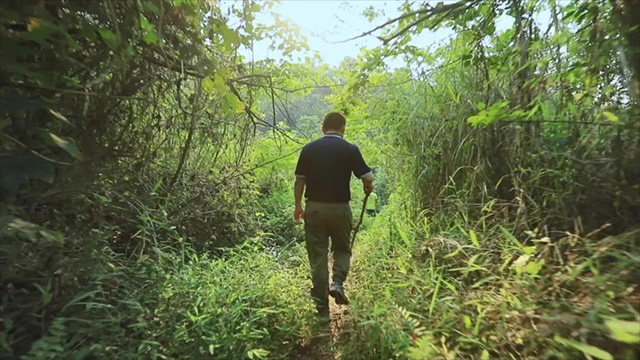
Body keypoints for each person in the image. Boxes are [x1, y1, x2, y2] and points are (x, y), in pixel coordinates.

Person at [293, 112, 374, 321]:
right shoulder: (350, 149)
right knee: (342, 249)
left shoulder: (309, 149)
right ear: (342, 129)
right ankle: (337, 282)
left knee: (318, 257)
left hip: (314, 209)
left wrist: (298, 206)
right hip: (340, 209)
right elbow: (367, 176)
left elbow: (299, 181)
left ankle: (322, 312)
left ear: (322, 128)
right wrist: (368, 185)